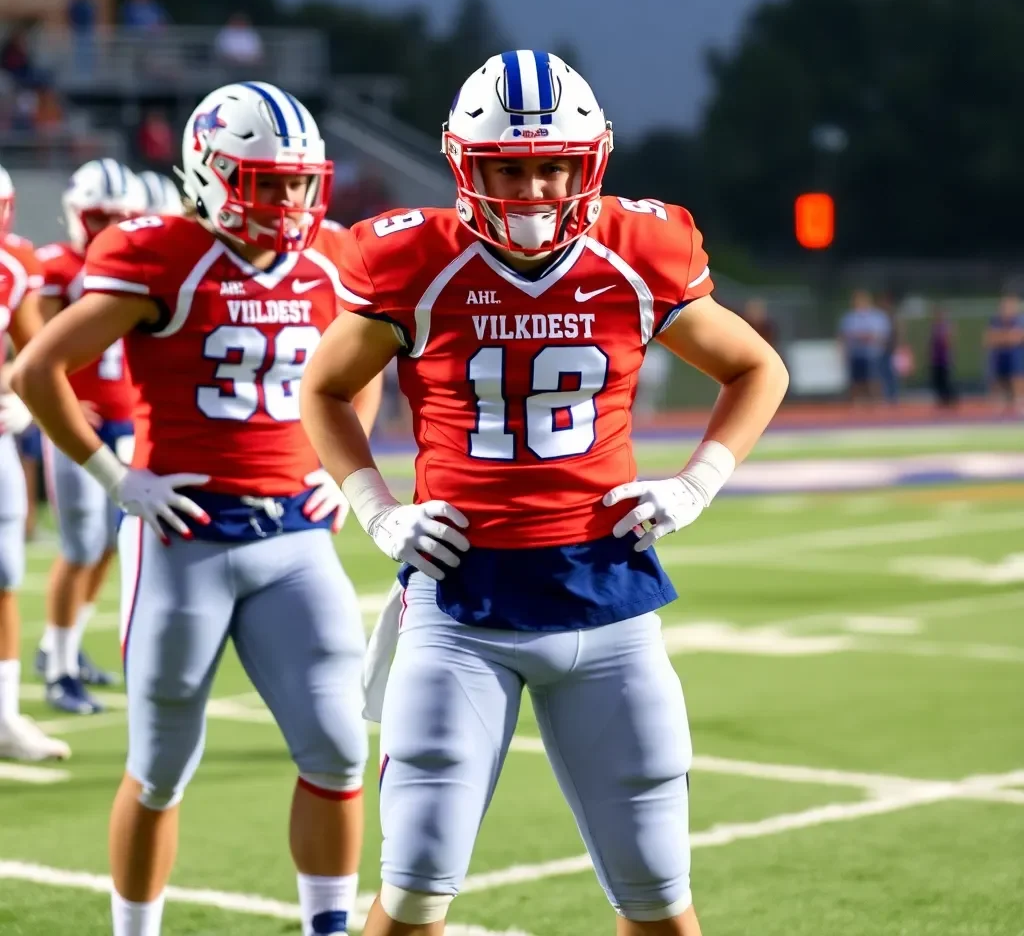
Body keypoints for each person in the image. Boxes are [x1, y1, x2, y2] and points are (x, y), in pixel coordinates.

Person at [300, 50, 789, 936]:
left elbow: (757, 367)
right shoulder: (413, 257)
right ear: (465, 166)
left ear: (589, 161)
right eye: (509, 168)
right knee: (411, 897)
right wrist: (374, 507)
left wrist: (698, 483)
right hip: (461, 602)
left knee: (659, 900)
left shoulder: (640, 250)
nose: (531, 190)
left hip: (608, 599)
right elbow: (324, 389)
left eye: (550, 165)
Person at [12, 80, 381, 936]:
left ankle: (327, 925)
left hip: (296, 535)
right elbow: (39, 374)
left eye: (298, 180)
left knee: (337, 750)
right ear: (210, 174)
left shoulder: (328, 256)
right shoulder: (160, 252)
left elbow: (361, 374)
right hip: (186, 535)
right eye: (265, 180)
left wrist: (347, 467)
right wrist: (116, 478)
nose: (287, 199)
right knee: (162, 763)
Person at [33, 160, 147, 714]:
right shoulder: (58, 266)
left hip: (128, 420)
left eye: (118, 218)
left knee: (107, 544)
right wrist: (61, 397)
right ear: (77, 214)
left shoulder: (136, 263)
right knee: (80, 545)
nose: (107, 228)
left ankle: (66, 647)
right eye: (99, 217)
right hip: (81, 420)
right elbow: (34, 345)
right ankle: (56, 667)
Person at [0, 162, 72, 761]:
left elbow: (33, 351)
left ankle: (3, 714)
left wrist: (17, 393)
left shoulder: (14, 265)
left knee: (3, 570)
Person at [838, 290, 889, 405]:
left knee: (874, 380)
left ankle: (877, 403)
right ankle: (856, 405)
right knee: (856, 382)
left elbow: (881, 335)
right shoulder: (849, 318)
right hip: (856, 354)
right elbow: (844, 335)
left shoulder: (877, 317)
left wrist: (866, 336)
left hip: (873, 354)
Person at [984, 294, 1024, 414]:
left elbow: (1017, 338)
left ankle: (1019, 404)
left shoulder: (1019, 320)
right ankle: (999, 406)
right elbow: (989, 339)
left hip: (1015, 357)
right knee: (997, 380)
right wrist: (1007, 338)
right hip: (999, 357)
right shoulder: (995, 320)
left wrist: (1002, 337)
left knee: (1017, 378)